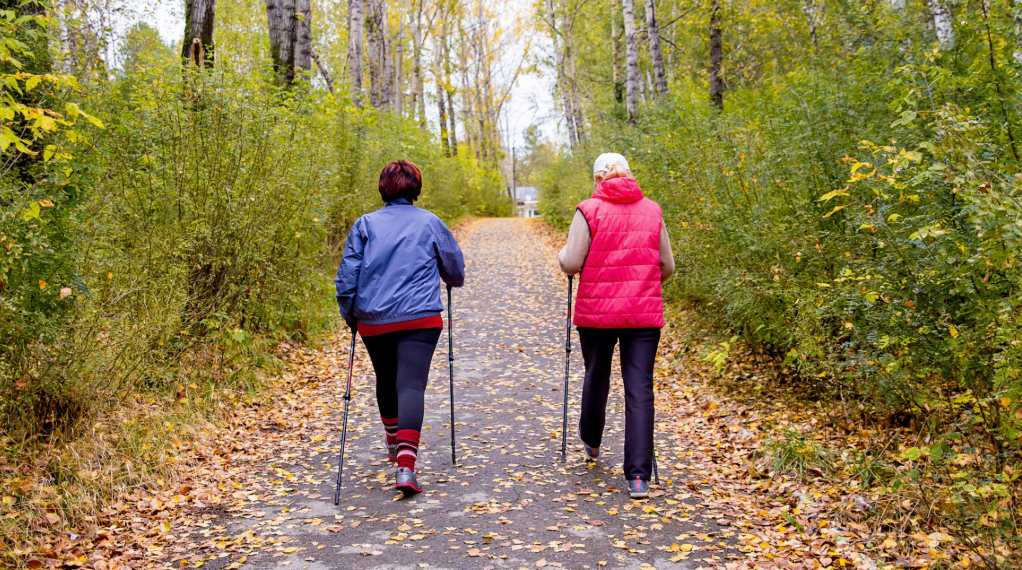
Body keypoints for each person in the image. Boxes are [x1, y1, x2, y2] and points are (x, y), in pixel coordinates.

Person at [335, 160, 465, 496]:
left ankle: (394, 441)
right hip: (421, 317)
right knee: (411, 385)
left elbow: (347, 278)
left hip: (373, 319)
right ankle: (406, 466)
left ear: (383, 188)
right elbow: (455, 271)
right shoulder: (431, 222)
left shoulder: (365, 224)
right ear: (416, 188)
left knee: (386, 378)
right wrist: (450, 277)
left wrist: (350, 314)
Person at [558, 152, 675, 499]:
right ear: (629, 175)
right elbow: (667, 266)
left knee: (596, 375)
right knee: (639, 387)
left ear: (598, 179)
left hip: (597, 313)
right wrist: (641, 285)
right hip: (643, 314)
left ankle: (591, 441)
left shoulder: (588, 210)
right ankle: (638, 477)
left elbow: (571, 262)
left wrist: (561, 256)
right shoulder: (652, 210)